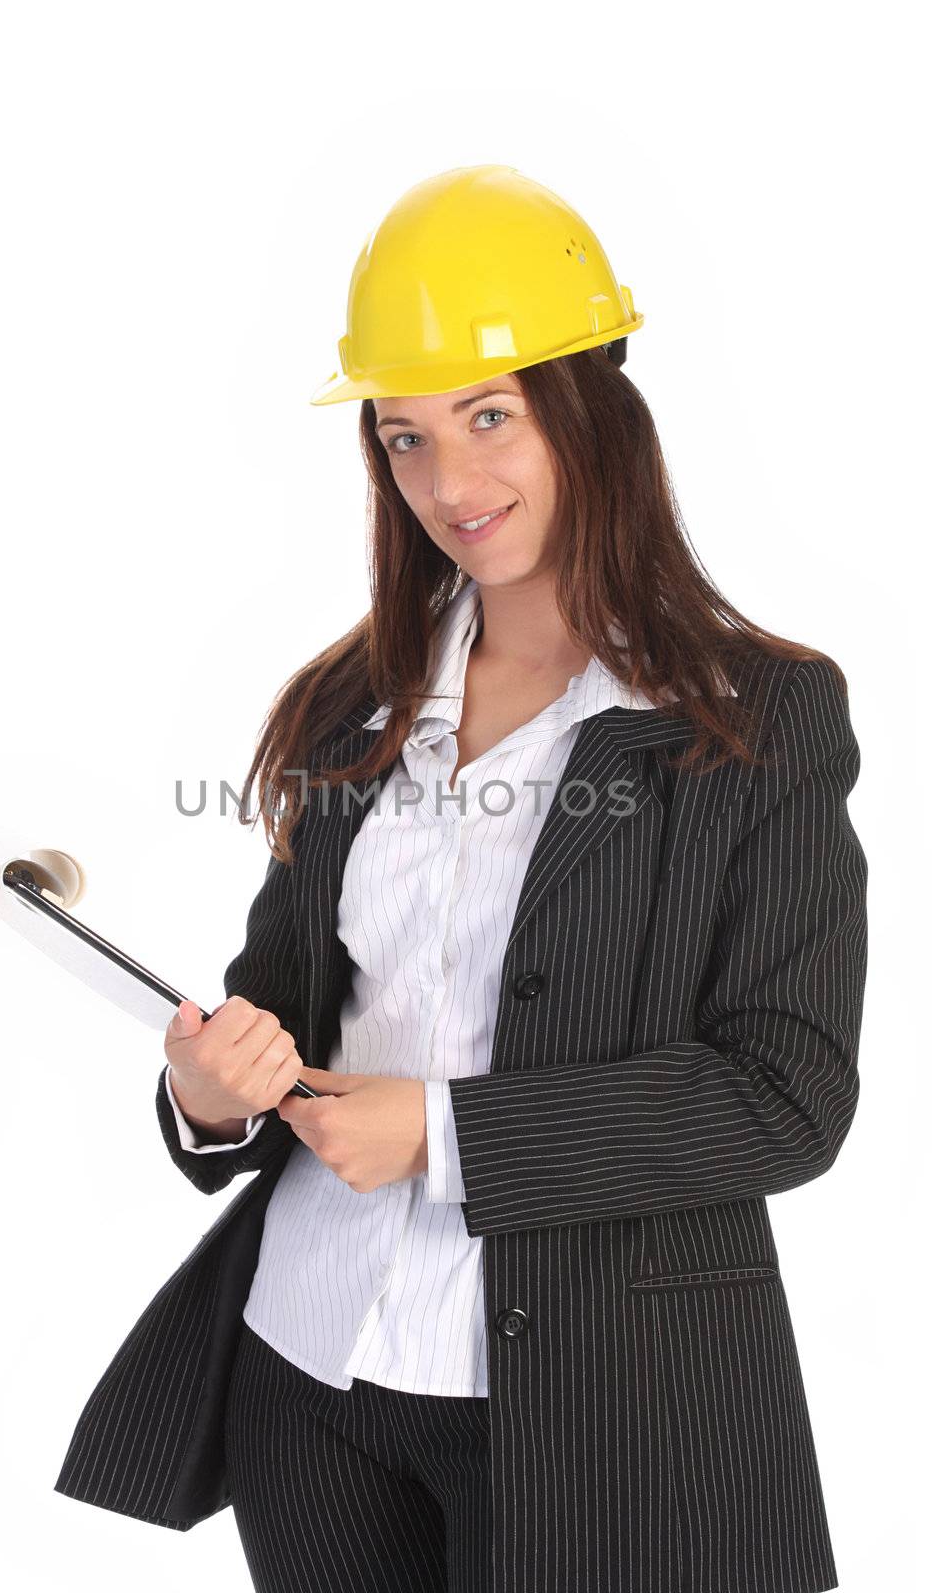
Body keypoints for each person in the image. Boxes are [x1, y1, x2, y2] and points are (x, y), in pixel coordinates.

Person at [56, 166, 868, 1593]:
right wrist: (210, 1093)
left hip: (597, 1403)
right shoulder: (346, 708)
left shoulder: (760, 716)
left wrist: (443, 1131)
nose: (450, 484)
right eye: (406, 437)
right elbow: (283, 1007)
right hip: (306, 1371)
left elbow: (785, 1097)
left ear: (592, 406)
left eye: (490, 416)